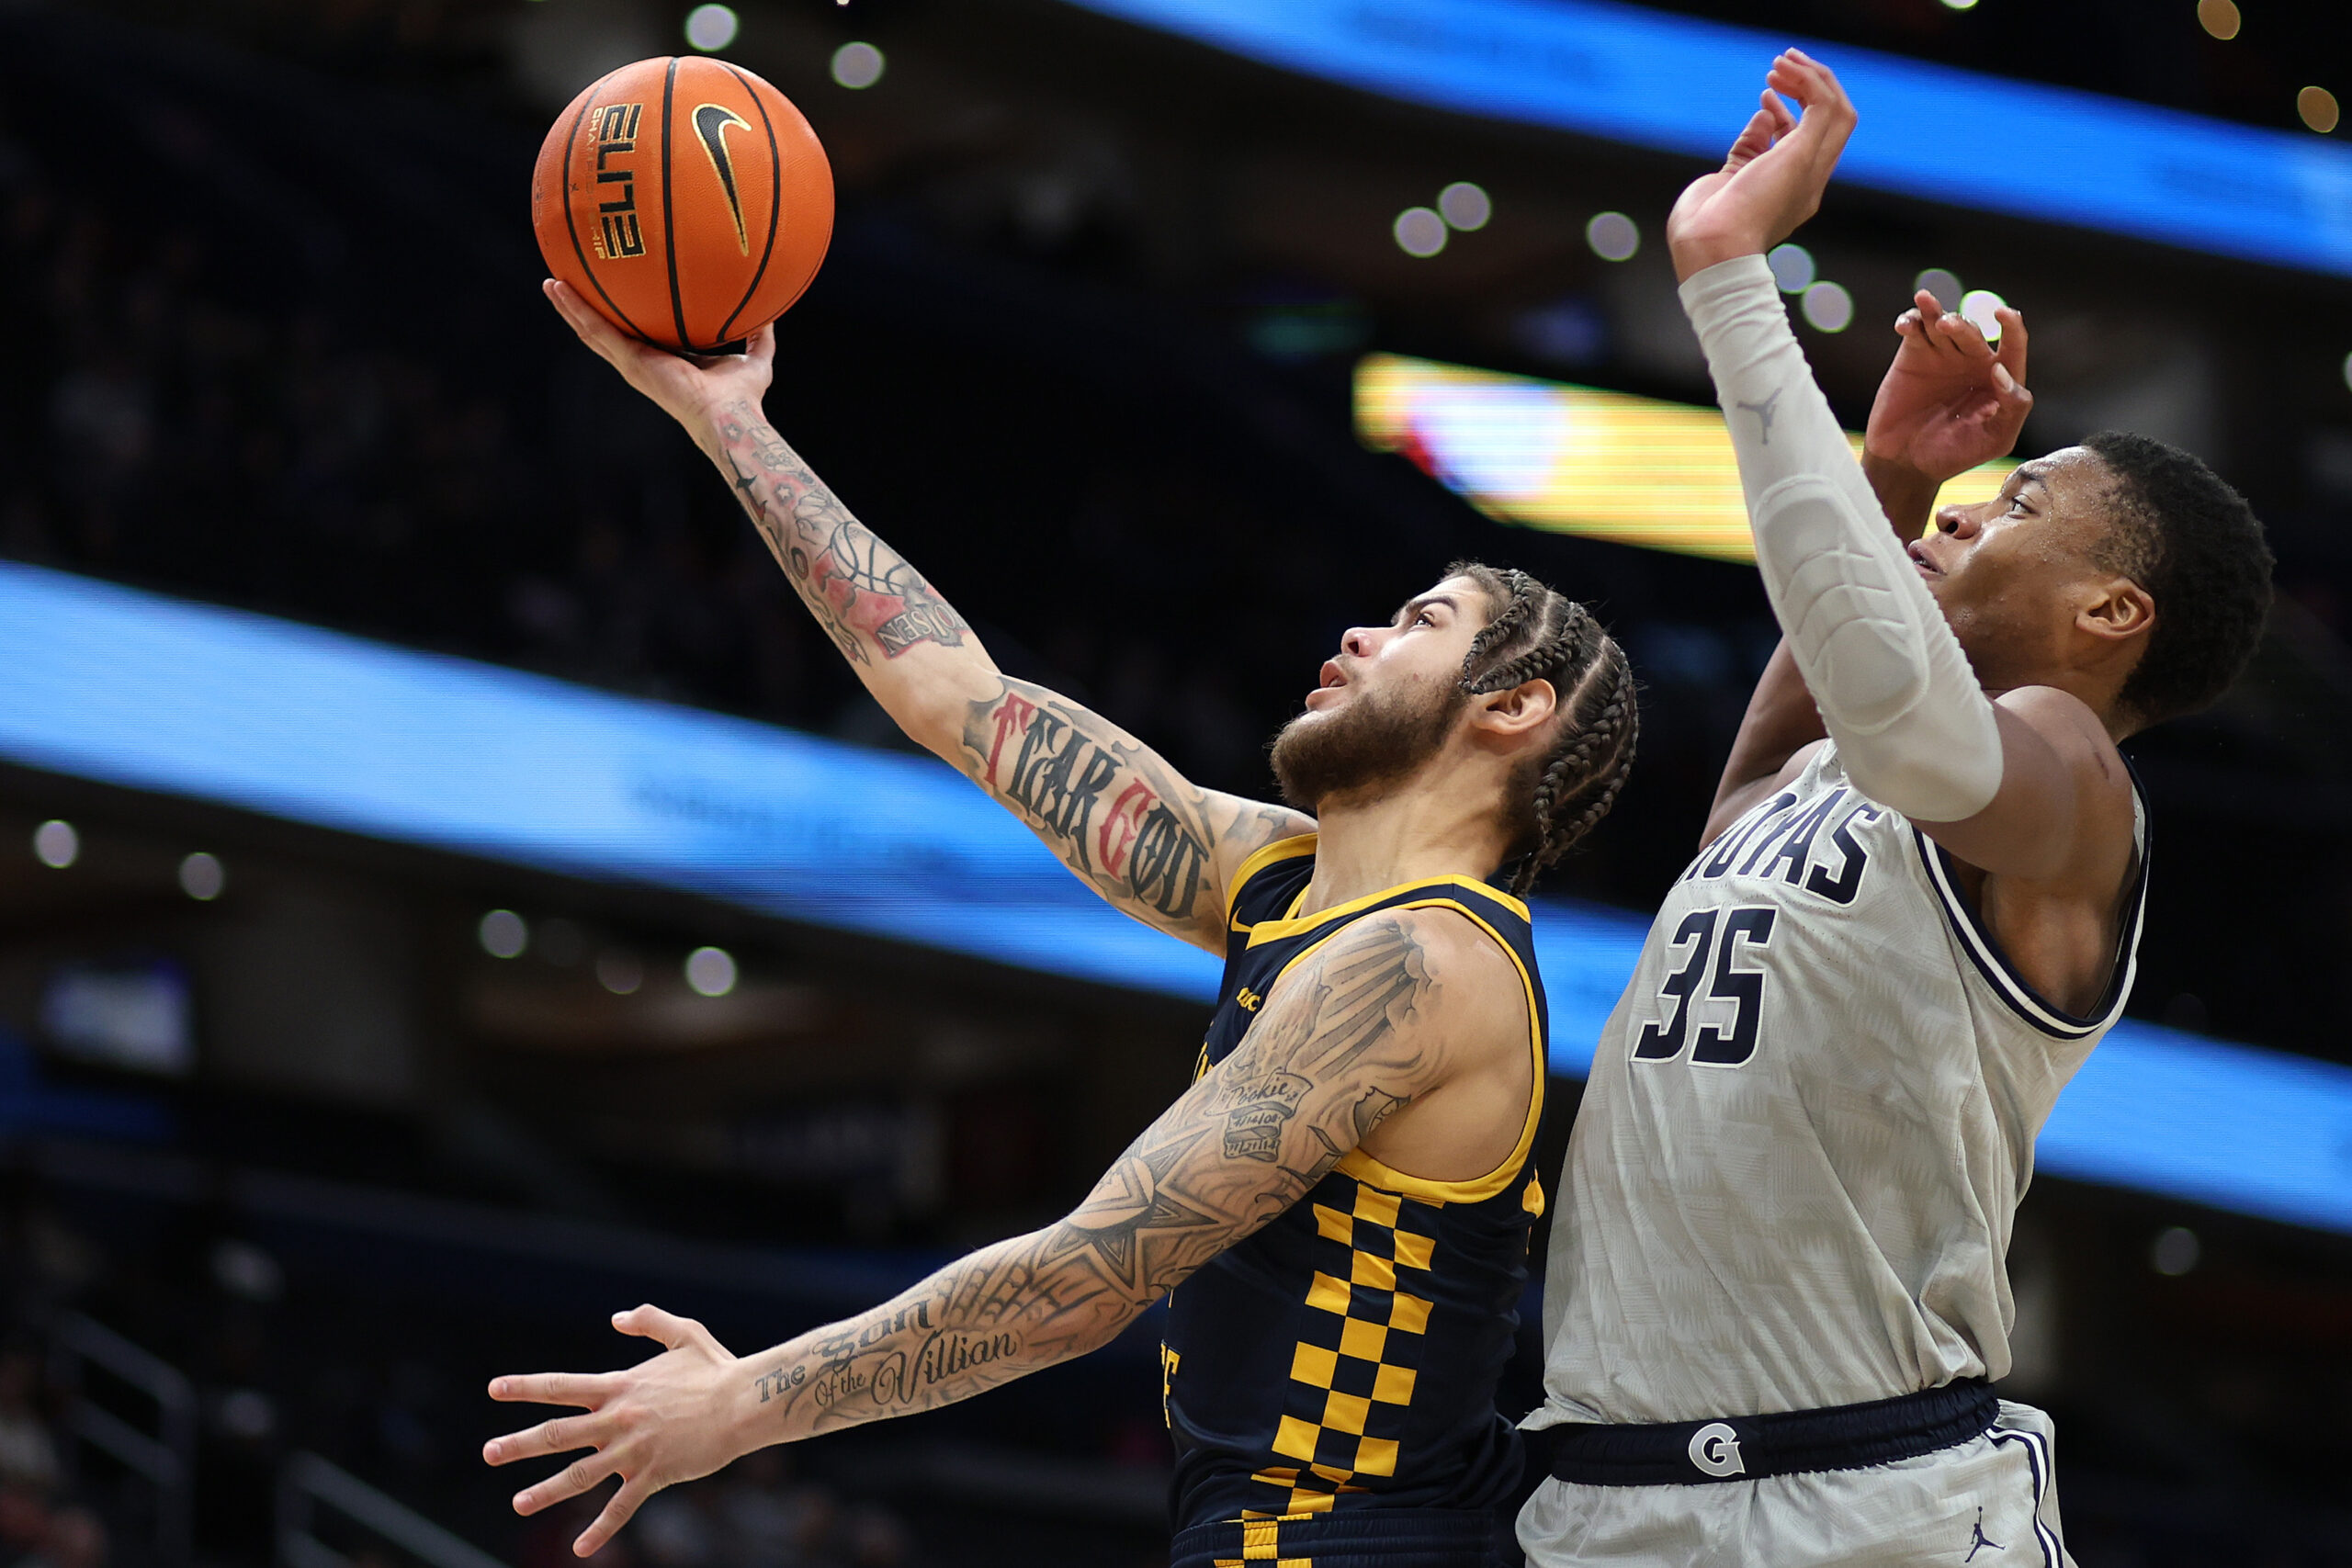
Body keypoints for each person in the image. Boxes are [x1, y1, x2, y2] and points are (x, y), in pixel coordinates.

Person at [484, 278, 1641, 1567]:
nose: (1359, 633)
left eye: (1423, 622)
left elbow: (1080, 1285)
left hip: (1354, 1544)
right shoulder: (1285, 879)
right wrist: (727, 421)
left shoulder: (1423, 967)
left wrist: (735, 1408)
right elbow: (955, 698)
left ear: (1515, 711)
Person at [1517, 50, 2273, 1568]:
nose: (1975, 506)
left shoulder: (2069, 780)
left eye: (2025, 503)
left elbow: (1902, 715)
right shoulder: (1848, 763)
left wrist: (1733, 283)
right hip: (1609, 1498)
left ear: (2113, 611)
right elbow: (1746, 804)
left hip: (1864, 1510)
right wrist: (1880, 468)